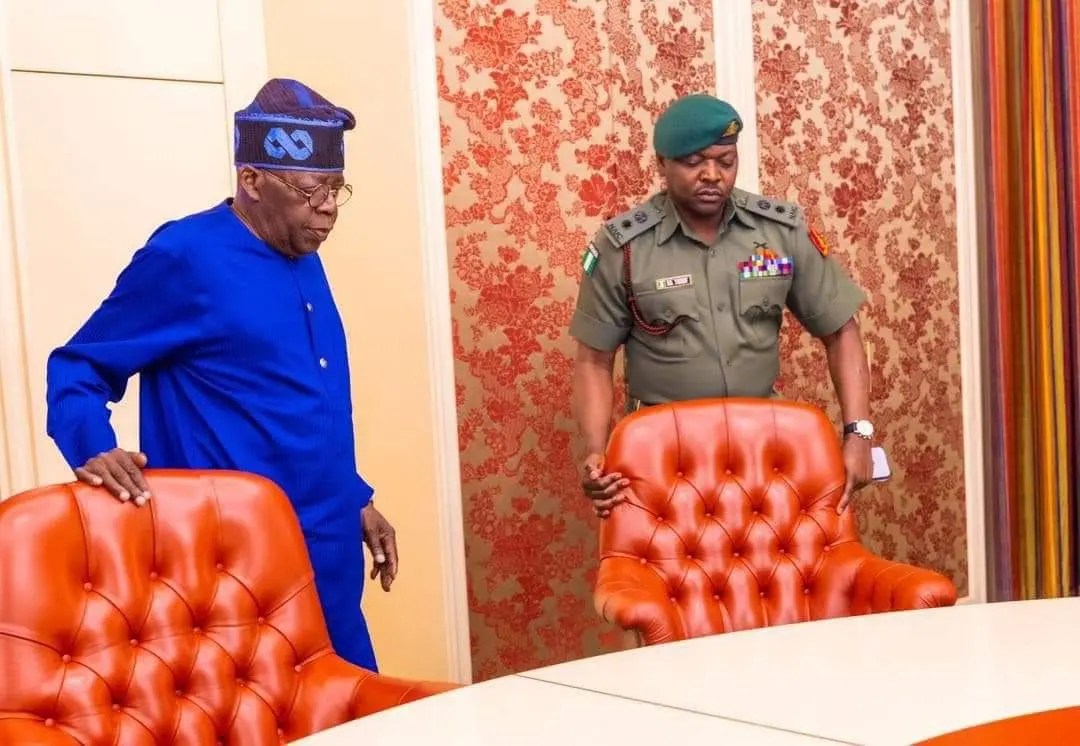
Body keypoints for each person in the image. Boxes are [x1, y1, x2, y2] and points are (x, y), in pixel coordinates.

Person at [45, 78, 393, 672]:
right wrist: (92, 446)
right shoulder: (186, 257)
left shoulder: (302, 251)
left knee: (354, 703)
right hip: (234, 559)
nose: (328, 207)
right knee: (249, 708)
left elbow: (295, 399)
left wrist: (353, 496)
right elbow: (79, 365)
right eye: (311, 190)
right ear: (252, 181)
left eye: (336, 189)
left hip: (329, 547)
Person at [570, 93, 874, 518]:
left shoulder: (779, 232)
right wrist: (596, 449)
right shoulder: (624, 248)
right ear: (662, 163)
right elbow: (594, 360)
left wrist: (859, 434)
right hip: (662, 454)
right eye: (694, 162)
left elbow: (841, 331)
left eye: (725, 161)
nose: (712, 175)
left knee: (766, 559)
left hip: (762, 450)